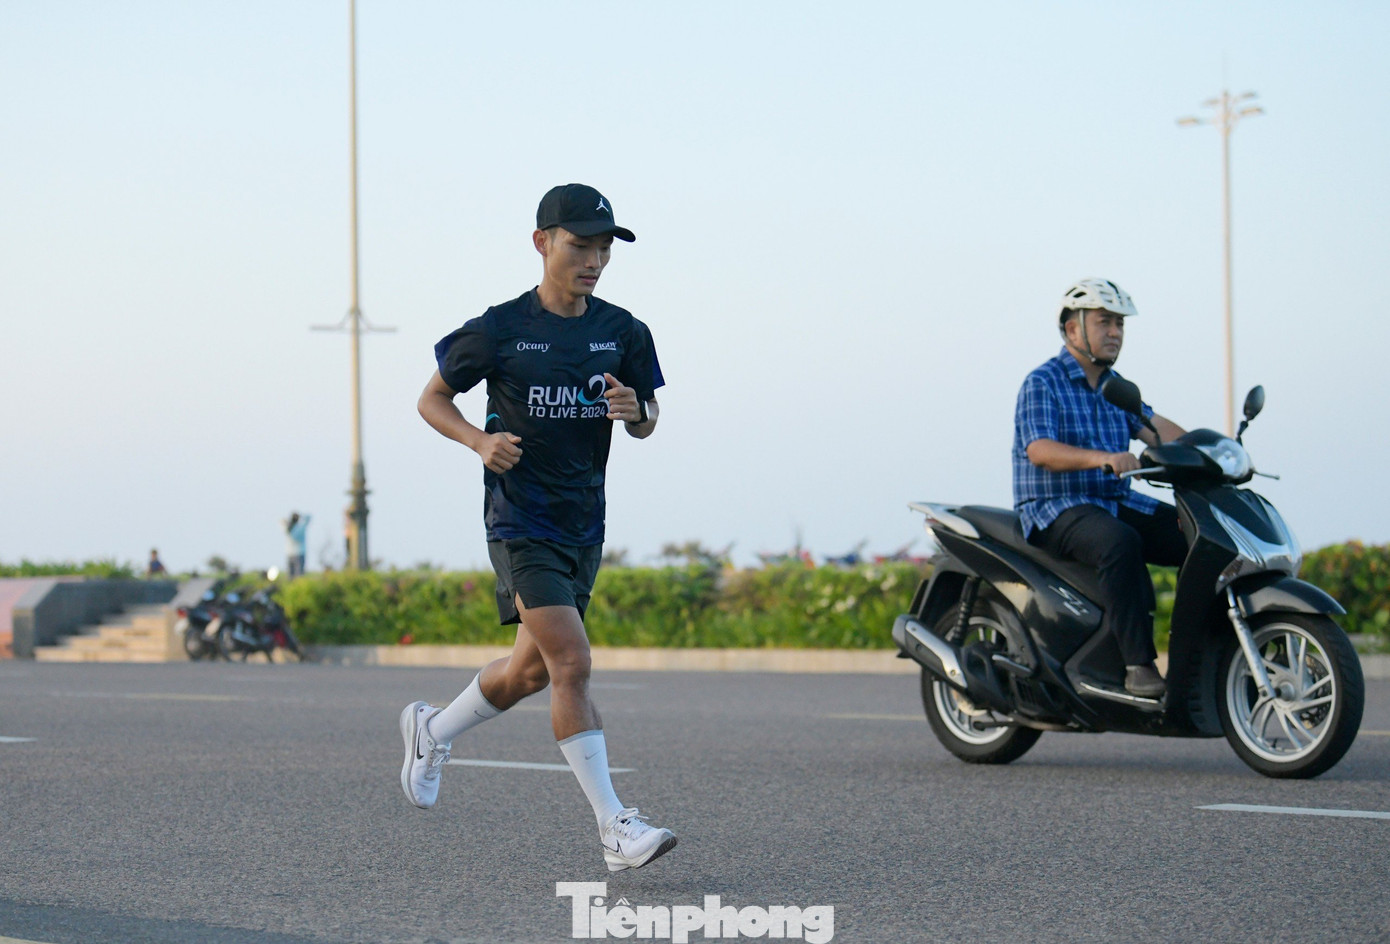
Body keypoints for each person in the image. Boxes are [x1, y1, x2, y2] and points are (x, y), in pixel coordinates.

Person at [401, 183, 674, 872]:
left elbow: (647, 424)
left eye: (605, 248)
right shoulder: (500, 327)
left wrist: (633, 408)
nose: (595, 260)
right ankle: (615, 827)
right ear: (542, 242)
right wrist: (476, 441)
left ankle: (432, 730)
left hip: (585, 522)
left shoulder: (624, 331)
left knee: (526, 672)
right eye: (581, 245)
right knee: (572, 664)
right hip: (521, 522)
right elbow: (432, 399)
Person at [1012, 279, 1188, 698]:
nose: (1115, 333)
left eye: (1120, 325)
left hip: (1111, 499)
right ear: (1074, 330)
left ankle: (1205, 655)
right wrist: (1102, 457)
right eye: (1105, 322)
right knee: (1119, 542)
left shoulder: (1116, 387)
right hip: (1055, 506)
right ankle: (1137, 667)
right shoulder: (1043, 382)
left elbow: (1156, 428)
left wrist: (1212, 451)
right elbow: (1039, 449)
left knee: (1193, 535)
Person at [283, 512, 310, 577]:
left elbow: (281, 521)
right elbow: (308, 518)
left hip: (290, 554)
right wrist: (301, 516)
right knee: (298, 575)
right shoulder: (300, 528)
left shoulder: (288, 528)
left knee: (291, 576)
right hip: (299, 553)